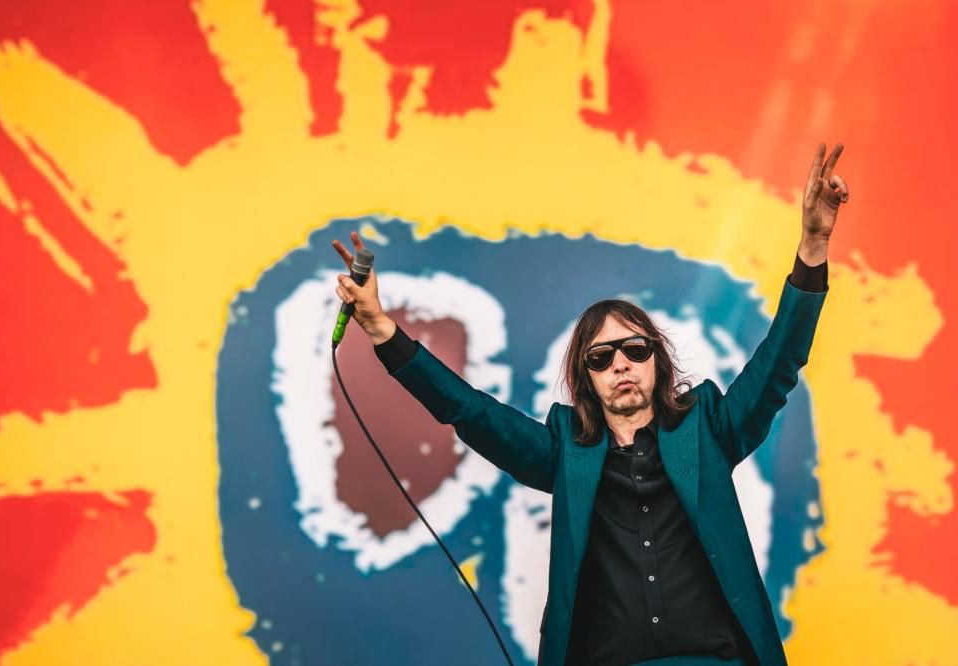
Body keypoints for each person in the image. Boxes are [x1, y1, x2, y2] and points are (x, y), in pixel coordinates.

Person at [331, 143, 848, 666]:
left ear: (656, 360)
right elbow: (469, 411)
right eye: (601, 358)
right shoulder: (563, 450)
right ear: (586, 380)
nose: (620, 364)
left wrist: (813, 245)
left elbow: (779, 361)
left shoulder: (708, 426)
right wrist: (382, 329)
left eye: (635, 349)